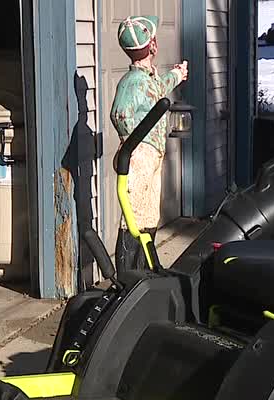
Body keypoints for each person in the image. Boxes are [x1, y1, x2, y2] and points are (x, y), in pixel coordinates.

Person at [109, 14, 188, 261]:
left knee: (150, 213)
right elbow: (120, 114)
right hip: (141, 156)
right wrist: (132, 146)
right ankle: (130, 271)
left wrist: (176, 75)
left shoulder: (146, 79)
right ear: (152, 45)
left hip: (153, 155)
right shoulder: (131, 82)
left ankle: (145, 266)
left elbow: (157, 90)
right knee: (135, 216)